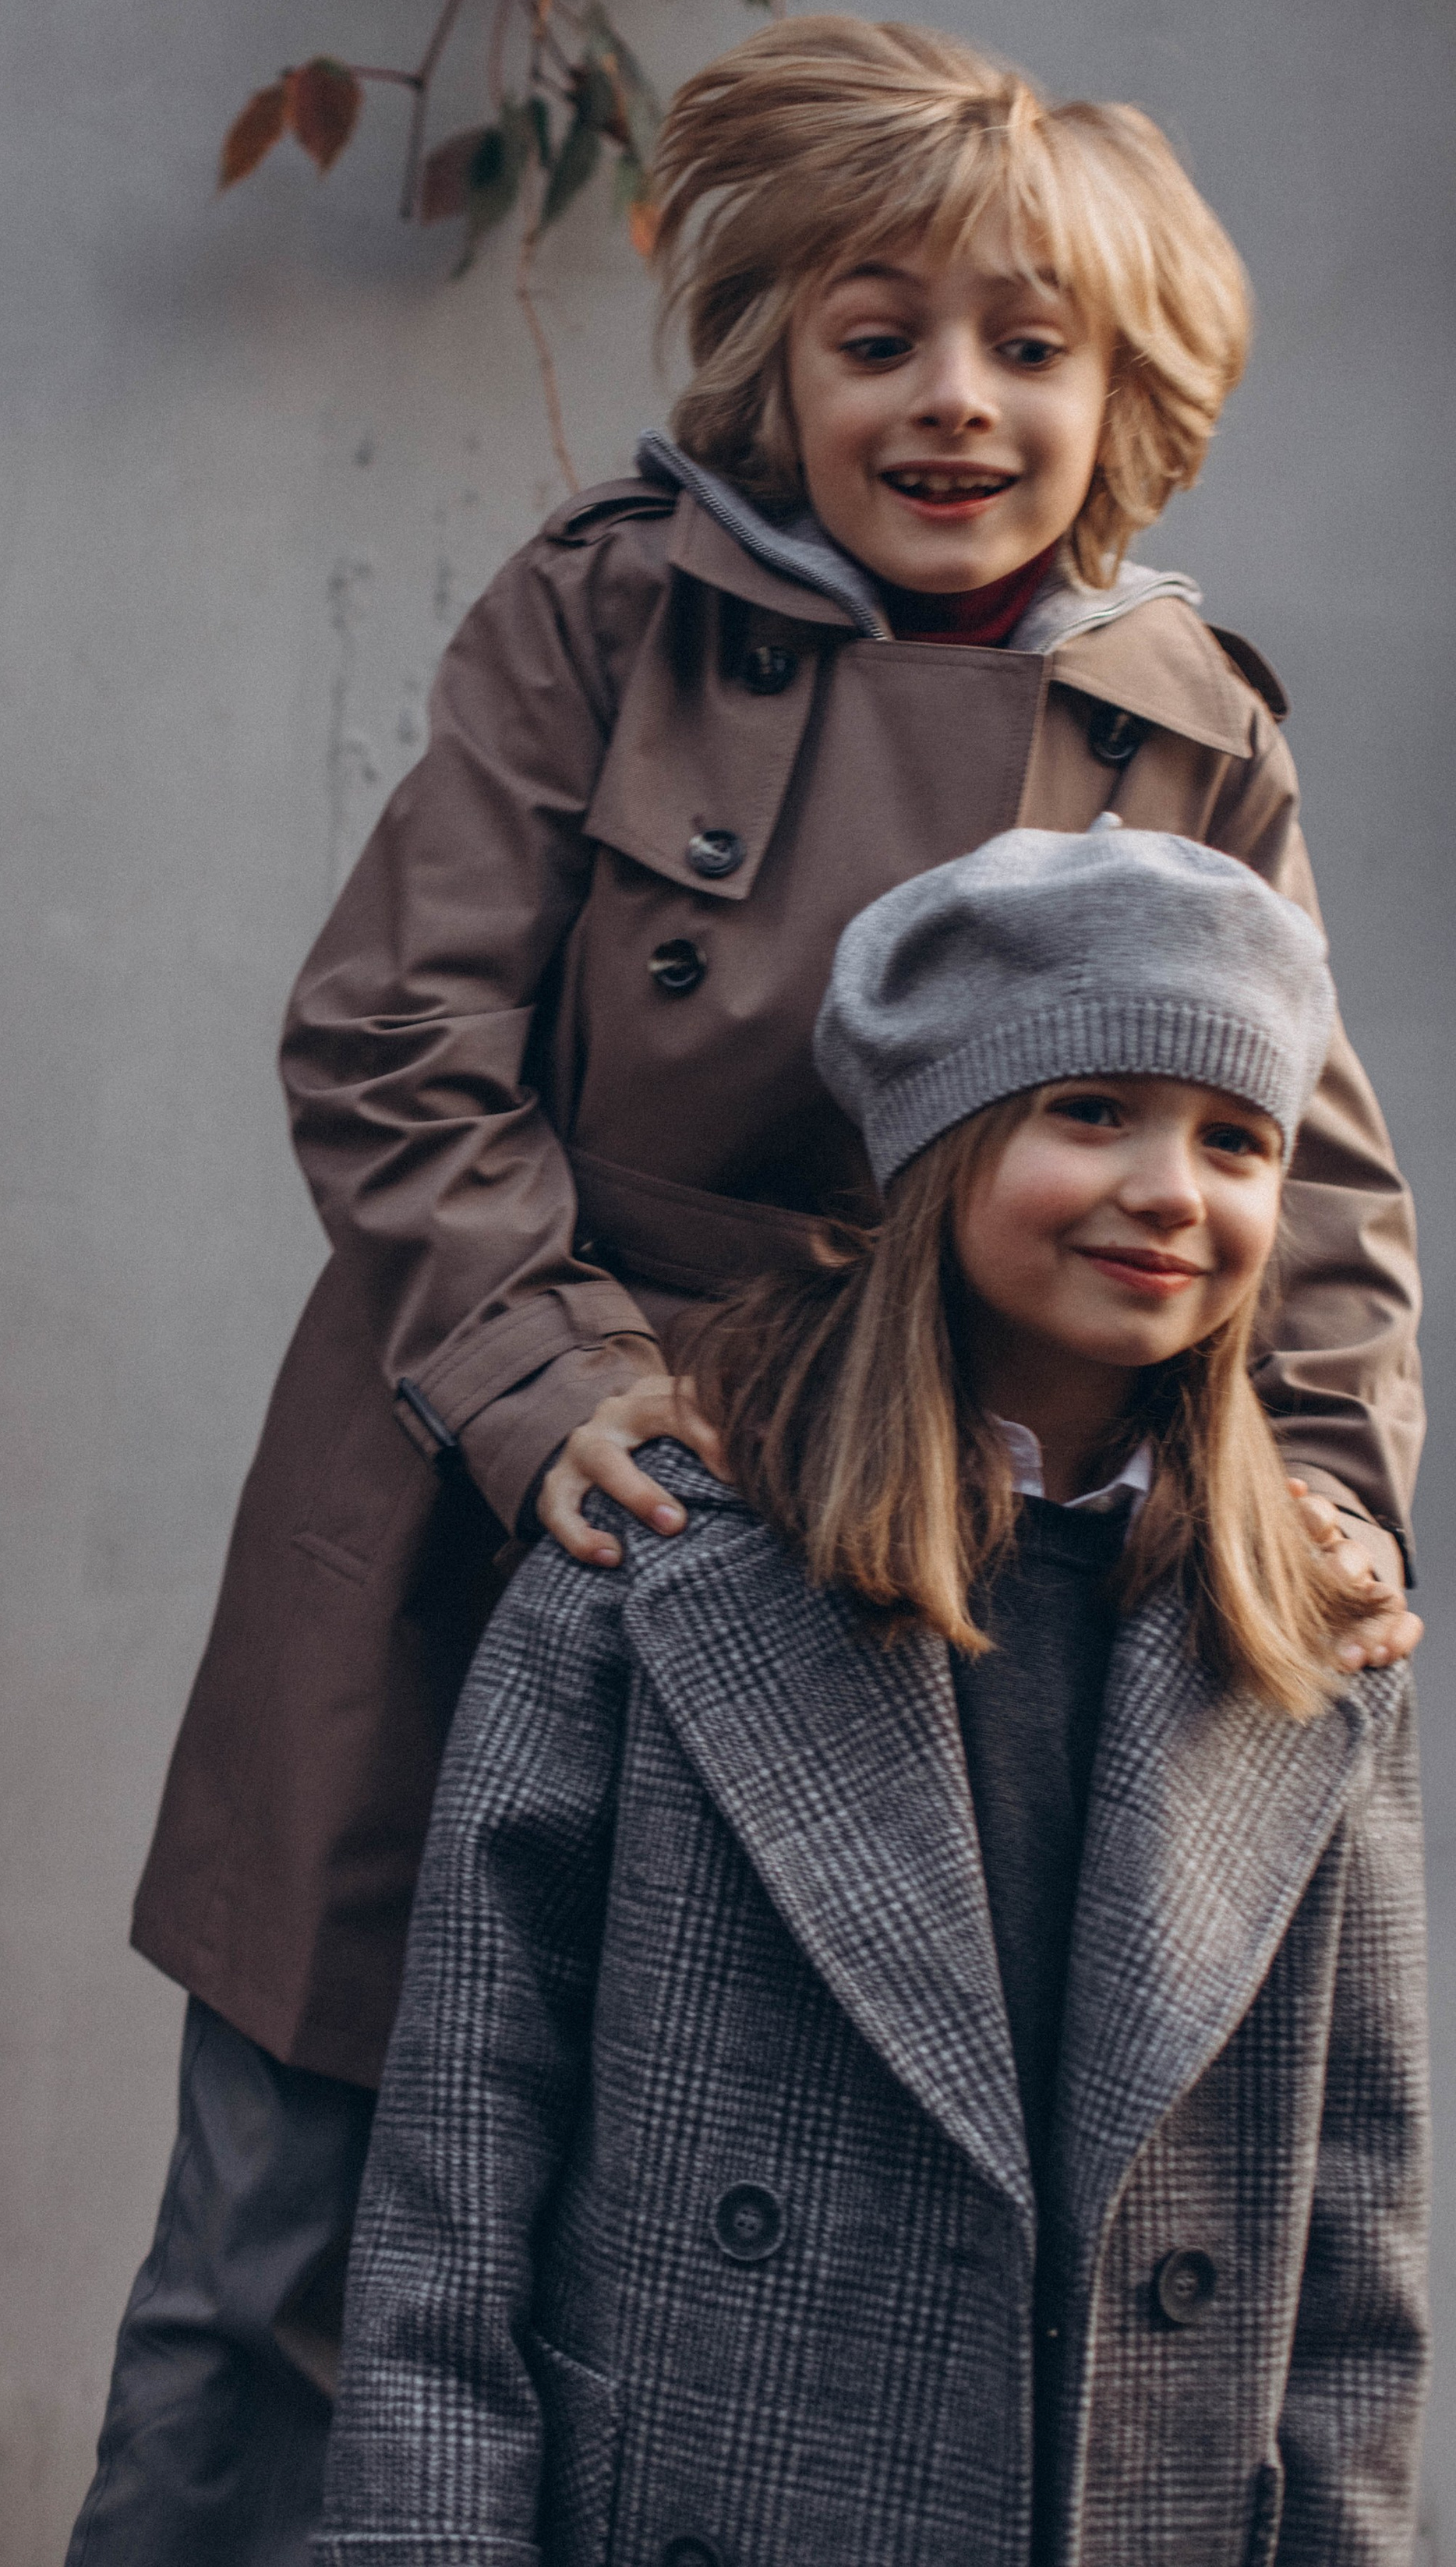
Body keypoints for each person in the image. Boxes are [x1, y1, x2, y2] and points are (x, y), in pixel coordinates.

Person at [70, 18, 1422, 2567]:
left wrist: (1328, 1500)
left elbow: (1318, 1185)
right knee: (298, 2242)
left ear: (1131, 399)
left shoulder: (1189, 729)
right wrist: (543, 1373)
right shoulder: (601, 617)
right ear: (775, 356)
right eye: (876, 332)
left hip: (916, 1576)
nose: (951, 402)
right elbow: (392, 1025)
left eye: (1032, 348)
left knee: (772, 2292)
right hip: (510, 1501)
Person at [316, 822, 1429, 2566]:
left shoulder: (1303, 1639)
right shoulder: (657, 1576)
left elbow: (1358, 2258)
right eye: (1089, 1111)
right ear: (939, 1143)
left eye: (1234, 1141)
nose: (1168, 1188)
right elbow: (455, 2176)